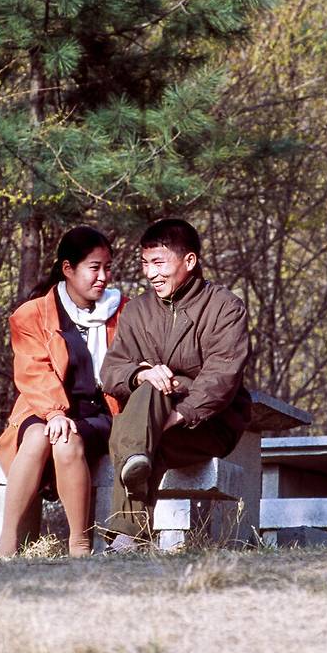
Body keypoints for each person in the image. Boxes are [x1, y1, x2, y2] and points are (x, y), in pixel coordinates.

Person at [99, 217, 251, 548]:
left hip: (208, 425)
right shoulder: (137, 310)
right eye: (144, 263)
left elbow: (222, 376)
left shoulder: (225, 307)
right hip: (152, 424)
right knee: (150, 387)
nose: (150, 273)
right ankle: (130, 536)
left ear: (190, 261)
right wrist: (140, 373)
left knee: (137, 437)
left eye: (158, 263)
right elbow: (111, 370)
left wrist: (179, 415)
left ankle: (125, 535)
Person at [0, 226, 127, 557]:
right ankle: (7, 546)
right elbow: (32, 369)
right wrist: (54, 412)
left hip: (98, 411)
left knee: (66, 441)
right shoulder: (33, 314)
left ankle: (80, 544)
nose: (103, 277)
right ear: (68, 269)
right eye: (94, 267)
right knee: (39, 437)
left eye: (108, 267)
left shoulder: (124, 311)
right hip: (42, 407)